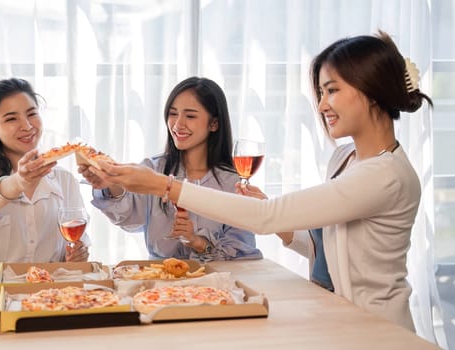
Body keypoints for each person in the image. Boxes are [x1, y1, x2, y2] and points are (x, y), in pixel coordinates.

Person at [87, 31, 432, 332]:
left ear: (371, 90)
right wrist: (285, 230)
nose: (322, 104)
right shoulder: (345, 158)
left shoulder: (384, 175)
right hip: (341, 314)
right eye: (321, 93)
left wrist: (165, 186)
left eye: (332, 90)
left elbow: (267, 217)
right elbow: (327, 248)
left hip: (378, 328)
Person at [78, 77, 262, 261]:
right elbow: (128, 217)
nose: (178, 124)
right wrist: (111, 184)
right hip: (159, 284)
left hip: (217, 285)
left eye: (190, 116)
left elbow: (242, 255)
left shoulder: (233, 184)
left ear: (214, 123)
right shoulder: (153, 169)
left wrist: (196, 241)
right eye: (173, 114)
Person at [0, 78, 90, 268]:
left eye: (32, 114)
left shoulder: (64, 179)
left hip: (49, 291)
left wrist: (76, 256)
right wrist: (20, 181)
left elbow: (77, 242)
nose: (27, 126)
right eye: (11, 118)